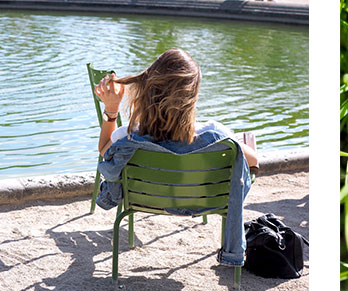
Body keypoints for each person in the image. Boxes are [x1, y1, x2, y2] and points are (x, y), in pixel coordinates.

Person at [93, 49, 259, 266]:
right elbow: (254, 161)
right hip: (206, 201)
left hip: (146, 199)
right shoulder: (216, 136)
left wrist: (111, 111)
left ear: (148, 89)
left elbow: (105, 149)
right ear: (191, 95)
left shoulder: (130, 136)